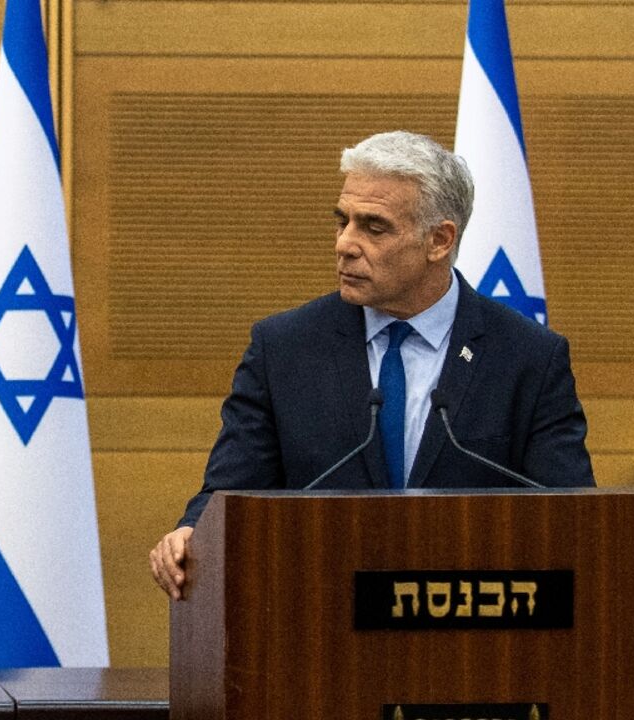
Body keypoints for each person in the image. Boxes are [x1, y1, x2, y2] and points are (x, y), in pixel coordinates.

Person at [149, 130, 593, 599]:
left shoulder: (527, 357)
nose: (345, 243)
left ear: (439, 240)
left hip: (472, 631)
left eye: (373, 227)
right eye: (342, 221)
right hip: (319, 620)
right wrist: (190, 533)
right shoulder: (284, 349)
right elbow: (227, 496)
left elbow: (574, 521)